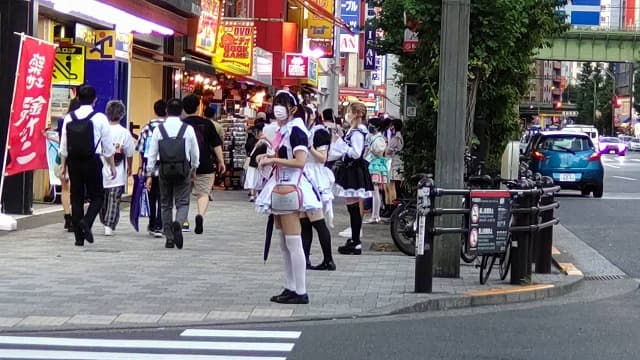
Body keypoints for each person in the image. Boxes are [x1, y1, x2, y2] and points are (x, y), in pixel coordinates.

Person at [255, 90, 321, 304]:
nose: (278, 107)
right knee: (285, 243)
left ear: (293, 108)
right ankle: (291, 287)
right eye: (276, 103)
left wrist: (273, 161)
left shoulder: (296, 130)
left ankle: (300, 291)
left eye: (282, 103)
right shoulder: (285, 130)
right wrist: (270, 157)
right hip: (282, 185)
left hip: (290, 186)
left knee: (293, 242)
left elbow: (300, 161)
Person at [59, 85, 116, 246]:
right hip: (92, 161)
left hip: (74, 162)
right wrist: (111, 165)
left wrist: (63, 166)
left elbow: (64, 144)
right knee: (98, 196)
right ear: (95, 100)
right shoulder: (99, 118)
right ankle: (87, 221)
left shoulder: (69, 118)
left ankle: (78, 237)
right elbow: (108, 146)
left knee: (76, 198)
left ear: (78, 99)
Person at [146, 98, 200, 249]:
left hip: (163, 169)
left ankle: (169, 237)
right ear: (181, 111)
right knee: (182, 202)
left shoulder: (159, 129)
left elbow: (152, 153)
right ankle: (179, 221)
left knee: (165, 204)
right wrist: (194, 168)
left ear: (166, 111)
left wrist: (150, 173)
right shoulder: (187, 129)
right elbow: (195, 152)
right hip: (183, 169)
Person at [328, 102, 373, 255]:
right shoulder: (354, 131)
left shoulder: (358, 132)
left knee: (353, 205)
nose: (346, 114)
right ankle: (354, 240)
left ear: (354, 114)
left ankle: (356, 241)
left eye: (348, 111)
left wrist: (341, 144)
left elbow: (356, 153)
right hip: (352, 169)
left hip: (354, 169)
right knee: (351, 205)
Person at [182, 94, 226, 235]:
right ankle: (200, 215)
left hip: (184, 164)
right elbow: (216, 144)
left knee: (183, 194)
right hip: (205, 163)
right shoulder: (208, 124)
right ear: (198, 107)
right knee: (203, 193)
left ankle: (184, 221)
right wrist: (221, 161)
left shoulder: (182, 124)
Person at [301, 105, 336, 271]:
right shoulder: (298, 131)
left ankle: (328, 260)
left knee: (317, 221)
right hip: (303, 176)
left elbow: (323, 158)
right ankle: (305, 259)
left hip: (314, 178)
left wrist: (309, 148)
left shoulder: (319, 132)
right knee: (305, 222)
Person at [99, 100, 135, 236]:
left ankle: (105, 220)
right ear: (122, 115)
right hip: (118, 172)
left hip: (101, 170)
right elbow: (130, 152)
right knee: (114, 199)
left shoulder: (101, 130)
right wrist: (130, 167)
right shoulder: (124, 133)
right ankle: (109, 224)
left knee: (103, 199)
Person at [136, 99, 166, 238]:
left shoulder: (147, 127)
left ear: (154, 110)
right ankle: (160, 224)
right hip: (166, 168)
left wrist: (140, 167)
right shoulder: (168, 127)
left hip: (150, 167)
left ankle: (152, 223)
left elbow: (141, 149)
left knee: (151, 196)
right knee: (163, 197)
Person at [56, 97, 81, 232]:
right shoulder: (86, 121)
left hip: (61, 156)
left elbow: (61, 140)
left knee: (65, 188)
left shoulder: (62, 120)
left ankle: (67, 217)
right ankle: (75, 217)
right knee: (76, 189)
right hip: (77, 157)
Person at [363, 117, 389, 224]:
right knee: (374, 191)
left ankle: (375, 215)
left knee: (375, 191)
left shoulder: (379, 139)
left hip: (375, 165)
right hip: (372, 164)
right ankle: (375, 215)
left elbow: (379, 152)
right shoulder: (373, 137)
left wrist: (371, 149)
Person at [244, 123, 269, 202]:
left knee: (251, 178)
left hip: (252, 162)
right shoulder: (265, 141)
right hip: (261, 162)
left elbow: (247, 148)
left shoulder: (251, 140)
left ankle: (252, 194)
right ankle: (257, 194)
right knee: (258, 178)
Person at [384, 118, 404, 216]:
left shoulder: (396, 138)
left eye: (392, 126)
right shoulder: (397, 137)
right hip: (394, 164)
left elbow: (388, 151)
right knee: (390, 186)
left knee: (391, 187)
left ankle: (392, 208)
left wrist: (386, 145)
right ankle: (390, 207)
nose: (390, 128)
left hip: (394, 165)